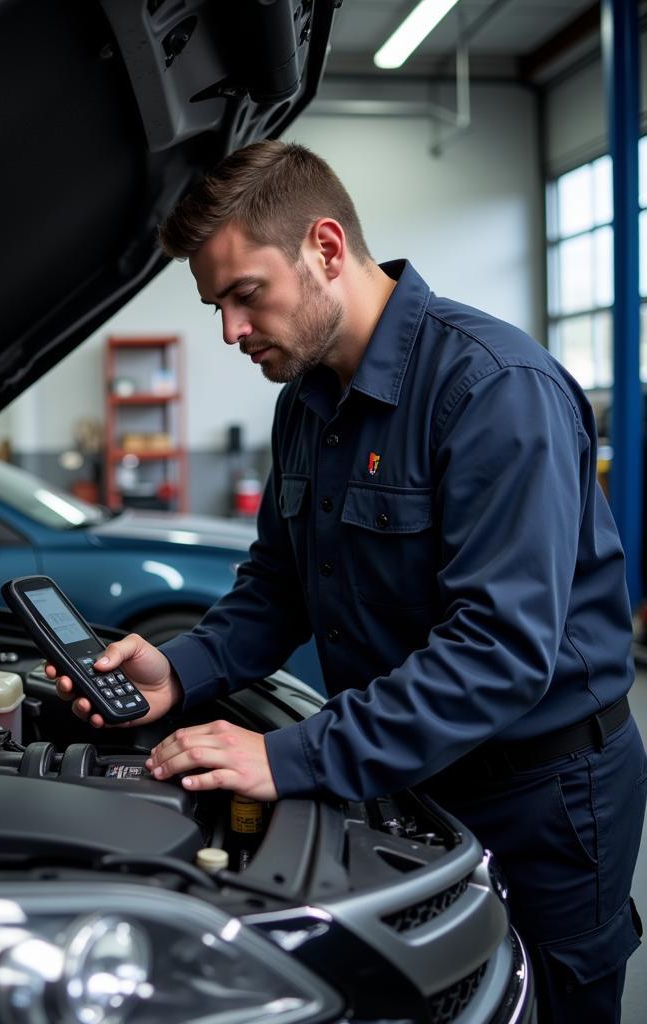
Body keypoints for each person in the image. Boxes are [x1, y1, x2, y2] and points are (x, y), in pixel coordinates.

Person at [47, 141, 645, 1022]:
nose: (231, 331)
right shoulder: (307, 403)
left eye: (245, 295)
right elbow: (278, 587)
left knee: (537, 1003)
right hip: (409, 773)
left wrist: (289, 755)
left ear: (326, 247)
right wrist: (183, 670)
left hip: (543, 800)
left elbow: (499, 652)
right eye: (216, 305)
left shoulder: (492, 390)